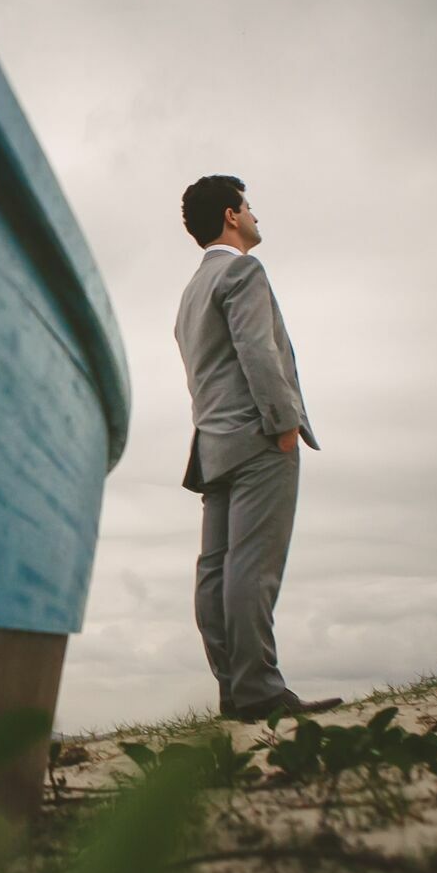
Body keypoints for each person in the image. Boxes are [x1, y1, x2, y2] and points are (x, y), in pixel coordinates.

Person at [174, 178, 342, 723]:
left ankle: (234, 689)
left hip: (213, 443)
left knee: (217, 570)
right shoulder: (243, 271)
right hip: (258, 435)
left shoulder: (192, 291)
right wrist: (283, 421)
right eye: (249, 207)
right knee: (253, 567)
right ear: (230, 215)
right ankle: (260, 692)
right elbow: (257, 351)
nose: (254, 215)